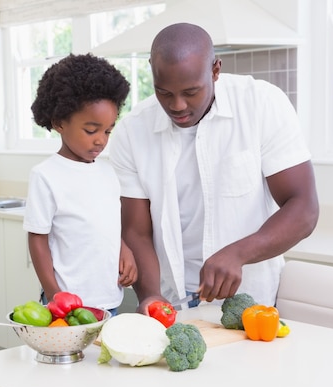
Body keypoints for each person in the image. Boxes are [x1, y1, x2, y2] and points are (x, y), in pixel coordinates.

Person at [110, 23, 319, 313]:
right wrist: (150, 294)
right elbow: (136, 231)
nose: (178, 105)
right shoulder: (131, 131)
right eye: (164, 93)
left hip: (249, 298)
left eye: (191, 92)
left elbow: (304, 208)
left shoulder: (261, 104)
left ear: (215, 70)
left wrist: (238, 253)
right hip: (175, 298)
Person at [23, 53, 137, 315]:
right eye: (91, 130)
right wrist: (54, 294)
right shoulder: (46, 175)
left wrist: (124, 249)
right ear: (59, 122)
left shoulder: (109, 173)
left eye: (108, 130)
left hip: (109, 300)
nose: (101, 140)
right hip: (66, 302)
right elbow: (37, 239)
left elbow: (105, 224)